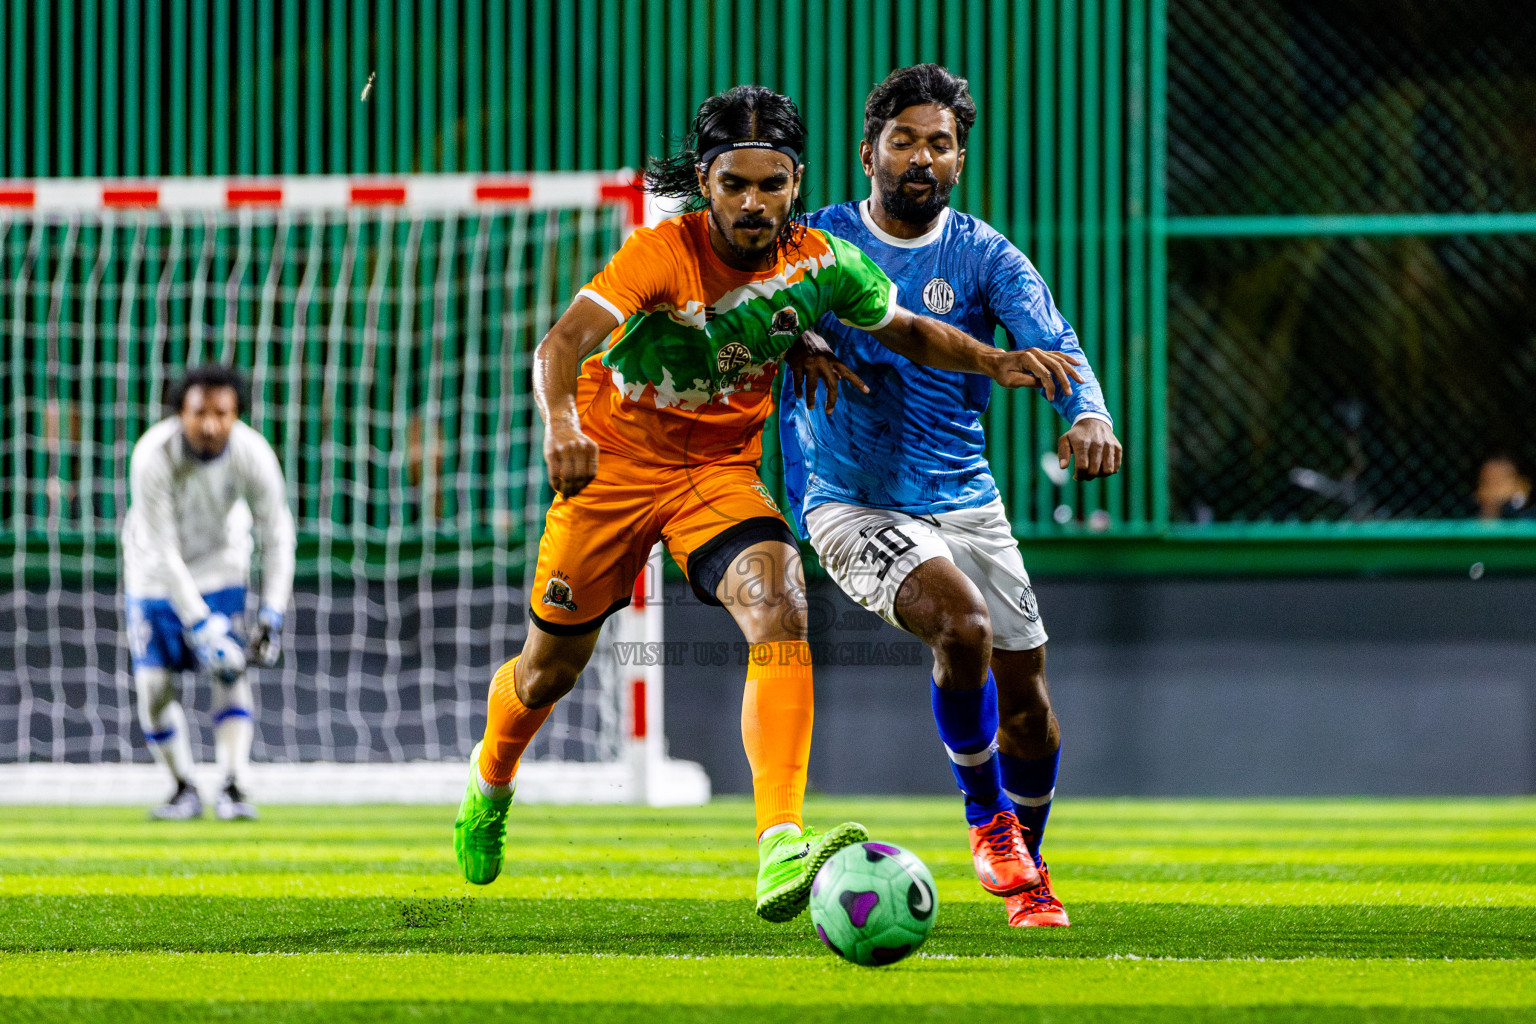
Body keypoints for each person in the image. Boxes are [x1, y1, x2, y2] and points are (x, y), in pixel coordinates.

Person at [452, 83, 1080, 922]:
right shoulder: (660, 253)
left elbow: (906, 329)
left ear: (796, 182)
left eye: (772, 185)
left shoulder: (821, 259)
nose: (754, 204)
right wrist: (561, 423)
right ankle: (491, 781)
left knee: (777, 597)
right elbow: (560, 344)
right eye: (735, 185)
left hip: (716, 472)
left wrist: (993, 362)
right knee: (548, 672)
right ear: (705, 184)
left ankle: (779, 841)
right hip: (614, 467)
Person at [780, 64, 1123, 928]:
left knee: (1030, 711)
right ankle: (986, 821)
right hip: (850, 496)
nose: (921, 157)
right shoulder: (816, 239)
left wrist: (1086, 412)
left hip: (964, 495)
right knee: (960, 623)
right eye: (905, 141)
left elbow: (1054, 339)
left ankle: (1024, 864)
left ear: (960, 161)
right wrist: (796, 347)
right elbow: (755, 309)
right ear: (869, 153)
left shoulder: (984, 253)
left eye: (940, 143)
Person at [122, 364, 294, 821]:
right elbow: (160, 549)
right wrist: (200, 623)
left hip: (220, 569)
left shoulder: (253, 454)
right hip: (153, 576)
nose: (210, 424)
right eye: (199, 412)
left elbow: (278, 535)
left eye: (222, 413)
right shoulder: (151, 457)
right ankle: (183, 788)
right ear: (180, 413)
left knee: (230, 675)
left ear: (237, 415)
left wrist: (272, 615)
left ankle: (235, 785)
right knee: (155, 689)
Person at [1475, 454, 1534, 520]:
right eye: (1487, 482)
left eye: (1499, 482)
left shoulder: (1530, 516)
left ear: (1521, 485)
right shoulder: (1468, 516)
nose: (1493, 489)